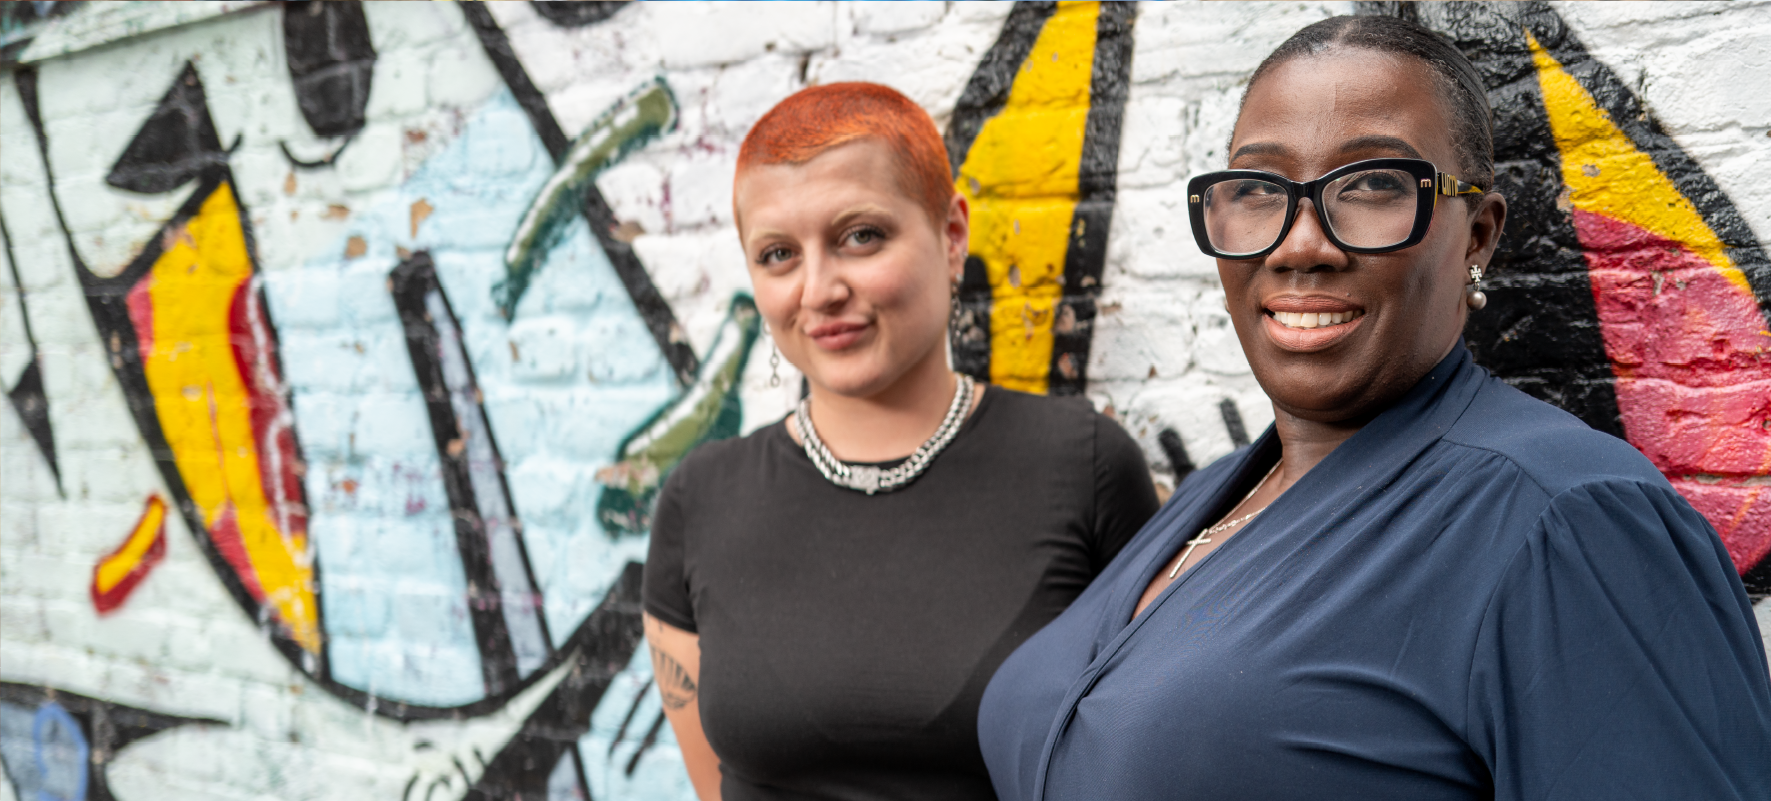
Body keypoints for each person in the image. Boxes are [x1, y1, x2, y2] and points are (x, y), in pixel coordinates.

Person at [977, 15, 1771, 801]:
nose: (1299, 244)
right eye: (1258, 190)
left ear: (1477, 236)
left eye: (1372, 186)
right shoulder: (1206, 496)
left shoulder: (1568, 523)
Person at [641, 82, 1159, 801]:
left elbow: (1142, 751)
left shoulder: (1085, 467)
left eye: (861, 236)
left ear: (951, 235)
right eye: (778, 254)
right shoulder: (700, 499)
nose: (818, 289)